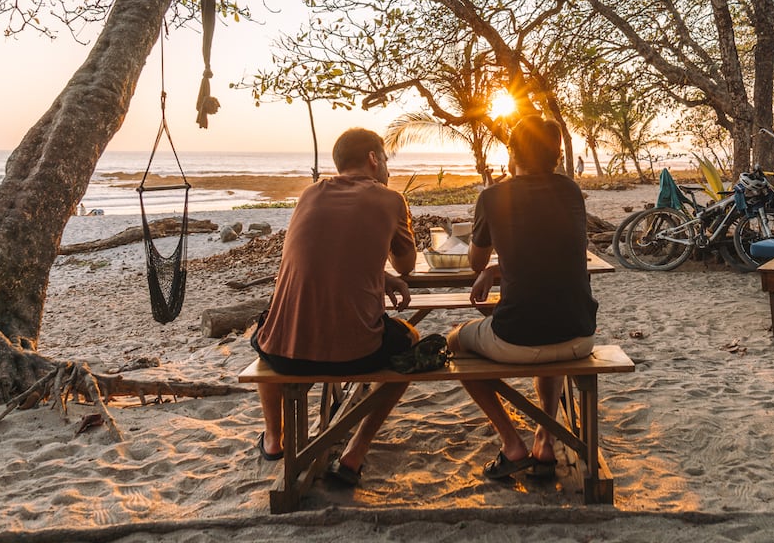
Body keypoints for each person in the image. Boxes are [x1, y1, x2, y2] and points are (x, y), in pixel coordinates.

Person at [251, 128, 417, 487]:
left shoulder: (308, 195)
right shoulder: (390, 199)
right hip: (357, 353)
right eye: (385, 158)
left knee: (264, 334)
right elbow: (406, 266)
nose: (387, 166)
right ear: (373, 158)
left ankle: (273, 439)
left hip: (284, 354)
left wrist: (380, 277)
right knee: (413, 347)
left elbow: (319, 258)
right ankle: (355, 452)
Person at [448, 116, 598, 481]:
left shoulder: (493, 196)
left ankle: (512, 442)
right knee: (550, 328)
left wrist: (486, 266)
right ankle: (545, 437)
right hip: (579, 336)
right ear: (557, 155)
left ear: (511, 152)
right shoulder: (571, 192)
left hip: (516, 338)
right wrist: (496, 272)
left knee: (454, 343)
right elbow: (544, 248)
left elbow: (475, 261)